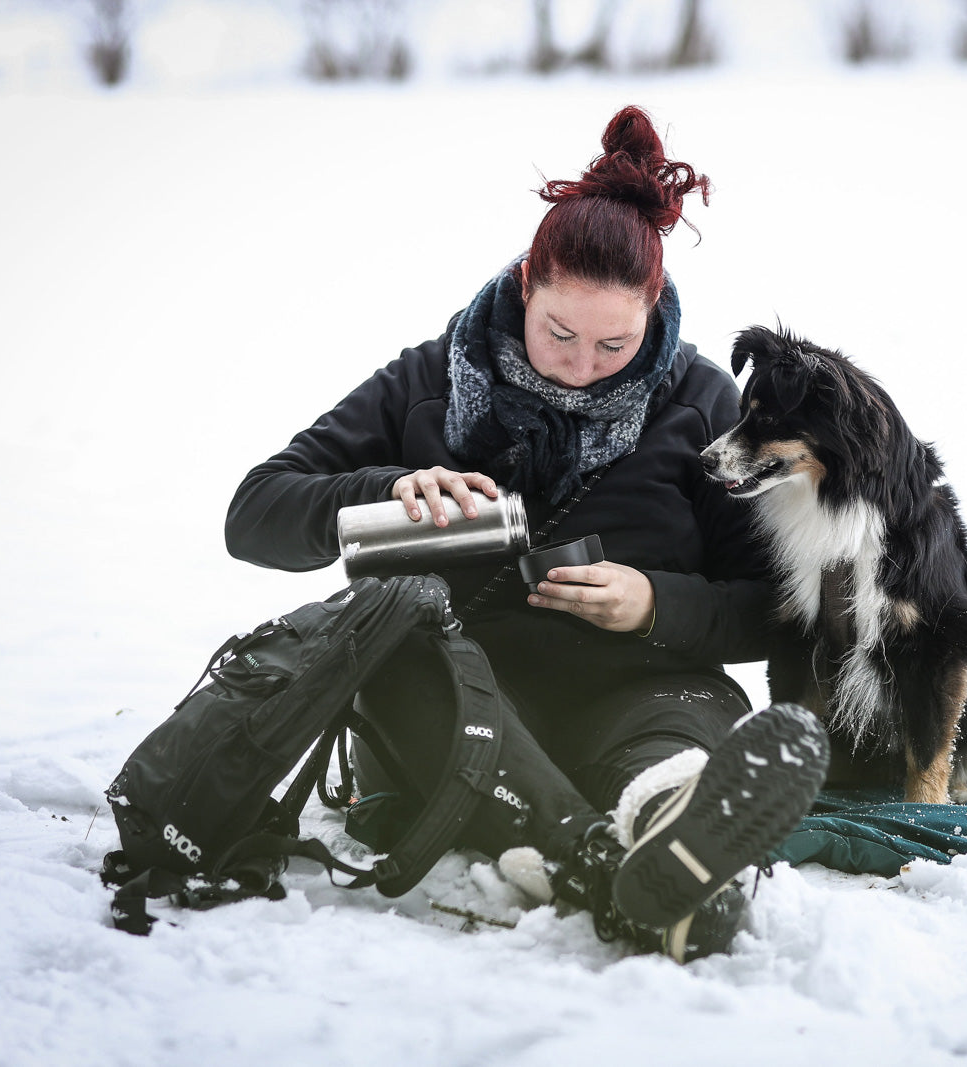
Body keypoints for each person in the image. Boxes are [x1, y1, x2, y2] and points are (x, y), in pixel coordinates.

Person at [224, 105, 828, 961]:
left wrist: (657, 604)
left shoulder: (703, 409)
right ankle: (614, 862)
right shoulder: (425, 383)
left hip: (644, 691)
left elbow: (777, 609)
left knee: (674, 747)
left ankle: (671, 830)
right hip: (452, 702)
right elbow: (253, 516)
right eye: (559, 333)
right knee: (392, 662)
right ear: (524, 287)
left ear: (657, 310)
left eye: (615, 343)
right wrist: (387, 488)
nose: (581, 367)